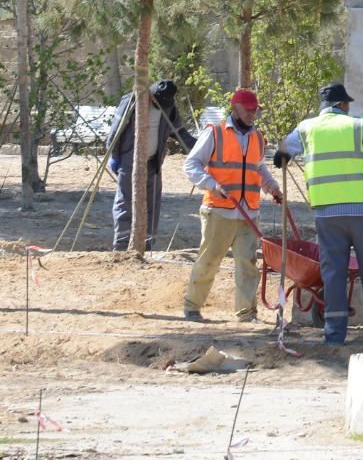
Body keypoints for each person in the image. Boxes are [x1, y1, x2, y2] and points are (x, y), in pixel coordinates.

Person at [273, 82, 363, 345]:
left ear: (323, 107)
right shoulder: (357, 126)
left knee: (333, 272)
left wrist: (281, 156)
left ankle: (334, 333)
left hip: (327, 213)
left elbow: (283, 150)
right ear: (342, 104)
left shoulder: (307, 128)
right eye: (347, 103)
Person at [181, 89, 283, 322]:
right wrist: (213, 185)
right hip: (219, 210)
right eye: (248, 109)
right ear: (234, 108)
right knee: (209, 260)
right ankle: (192, 307)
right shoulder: (215, 133)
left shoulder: (257, 137)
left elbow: (258, 168)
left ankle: (247, 313)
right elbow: (191, 165)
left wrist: (272, 186)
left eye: (255, 109)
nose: (252, 113)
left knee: (248, 265)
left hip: (249, 212)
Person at [106, 79, 197, 252]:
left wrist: (199, 147)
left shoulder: (168, 107)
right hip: (128, 160)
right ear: (152, 95)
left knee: (152, 205)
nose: (161, 105)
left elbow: (179, 132)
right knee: (125, 203)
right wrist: (115, 156)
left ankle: (145, 245)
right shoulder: (133, 101)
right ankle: (121, 245)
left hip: (153, 163)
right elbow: (116, 130)